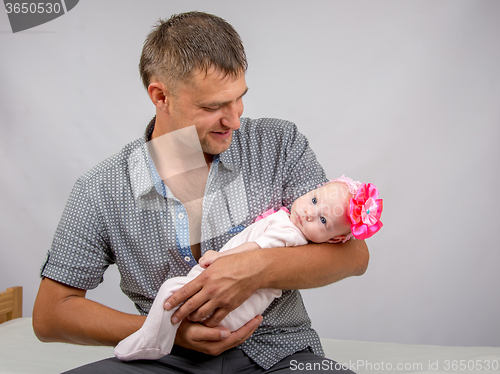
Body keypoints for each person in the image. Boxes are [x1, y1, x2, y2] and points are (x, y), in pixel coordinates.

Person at [32, 11, 369, 373]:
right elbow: (52, 314)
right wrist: (166, 333)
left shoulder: (279, 144)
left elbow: (353, 255)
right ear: (161, 96)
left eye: (239, 97)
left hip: (279, 355)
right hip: (164, 357)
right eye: (213, 107)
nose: (235, 120)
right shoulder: (101, 189)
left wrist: (254, 268)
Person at [114, 176, 383, 361]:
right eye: (313, 200)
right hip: (234, 310)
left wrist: (219, 256)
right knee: (178, 302)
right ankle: (157, 339)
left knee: (171, 292)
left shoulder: (290, 235)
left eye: (323, 220)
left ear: (334, 239)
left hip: (232, 309)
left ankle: (152, 343)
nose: (309, 213)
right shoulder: (289, 222)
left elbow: (254, 251)